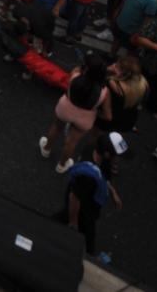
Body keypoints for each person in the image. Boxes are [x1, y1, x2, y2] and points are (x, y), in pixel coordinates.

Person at [56, 132, 125, 264]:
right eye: (117, 155)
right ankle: (88, 257)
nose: (118, 159)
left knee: (63, 217)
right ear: (107, 154)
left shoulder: (95, 152)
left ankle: (48, 227)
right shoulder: (88, 177)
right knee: (86, 232)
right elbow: (74, 197)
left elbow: (103, 176)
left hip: (84, 198)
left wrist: (112, 191)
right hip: (84, 207)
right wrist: (74, 222)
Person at [41, 53, 112, 173]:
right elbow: (107, 116)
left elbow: (71, 80)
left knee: (56, 127)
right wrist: (94, 112)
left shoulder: (75, 75)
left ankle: (46, 149)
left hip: (65, 109)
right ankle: (61, 165)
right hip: (85, 118)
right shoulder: (105, 91)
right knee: (72, 142)